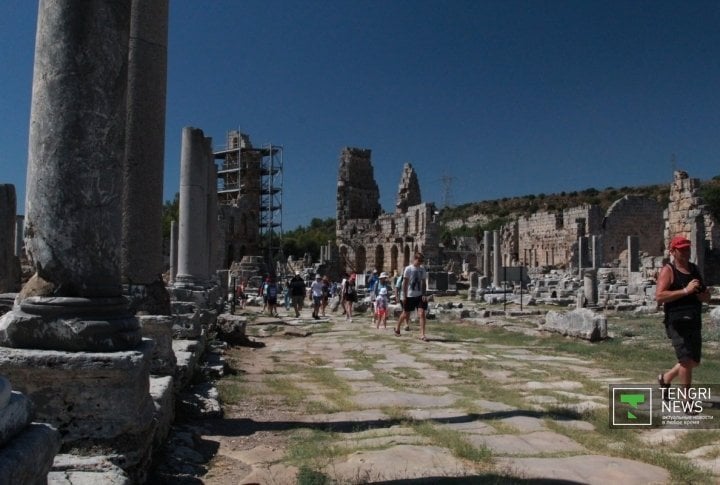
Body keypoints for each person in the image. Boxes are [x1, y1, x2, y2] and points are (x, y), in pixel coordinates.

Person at [656, 236, 710, 400]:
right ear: (673, 251)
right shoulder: (668, 270)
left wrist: (704, 295)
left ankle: (665, 379)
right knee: (686, 361)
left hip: (693, 319)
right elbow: (659, 296)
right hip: (677, 321)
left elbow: (704, 296)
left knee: (693, 361)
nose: (686, 252)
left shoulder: (694, 269)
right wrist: (685, 291)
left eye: (687, 248)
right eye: (682, 249)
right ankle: (686, 400)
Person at [395, 252, 429, 340]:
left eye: (422, 261)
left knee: (422, 314)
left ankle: (422, 334)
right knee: (405, 313)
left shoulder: (422, 269)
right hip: (410, 295)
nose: (420, 262)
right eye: (419, 260)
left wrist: (424, 294)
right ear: (415, 259)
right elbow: (405, 284)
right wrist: (404, 296)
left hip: (419, 295)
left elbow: (424, 282)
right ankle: (398, 328)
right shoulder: (408, 269)